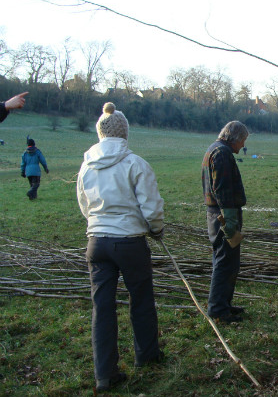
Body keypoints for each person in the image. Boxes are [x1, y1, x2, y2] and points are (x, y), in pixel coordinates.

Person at [77, 102, 165, 392]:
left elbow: (83, 204)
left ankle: (104, 374)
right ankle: (147, 356)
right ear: (124, 133)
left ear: (101, 134)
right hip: (129, 243)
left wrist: (98, 224)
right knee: (140, 299)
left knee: (101, 308)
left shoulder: (86, 164)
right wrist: (156, 229)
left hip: (96, 243)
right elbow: (151, 206)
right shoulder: (135, 163)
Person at [202, 121, 249, 324]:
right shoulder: (221, 153)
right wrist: (229, 221)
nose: (243, 145)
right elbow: (221, 189)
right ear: (236, 138)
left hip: (219, 213)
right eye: (243, 141)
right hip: (223, 215)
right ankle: (218, 310)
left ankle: (224, 305)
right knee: (224, 263)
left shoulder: (215, 149)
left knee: (228, 262)